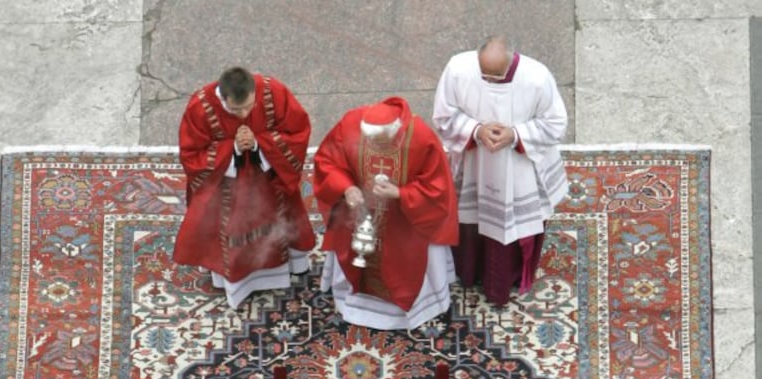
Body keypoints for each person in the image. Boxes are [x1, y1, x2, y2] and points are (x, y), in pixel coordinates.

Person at [432, 36, 568, 305]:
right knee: (470, 219)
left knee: (513, 226)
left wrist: (516, 135)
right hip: (475, 162)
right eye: (485, 76)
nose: (491, 82)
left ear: (512, 61)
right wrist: (476, 130)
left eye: (497, 76)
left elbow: (555, 122)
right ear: (476, 58)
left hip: (519, 167)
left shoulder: (537, 77)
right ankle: (469, 272)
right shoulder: (458, 69)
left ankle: (511, 277)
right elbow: (444, 115)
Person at [173, 66, 315, 308]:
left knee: (280, 220)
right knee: (230, 227)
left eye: (249, 107)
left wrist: (261, 143)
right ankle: (236, 282)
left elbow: (298, 131)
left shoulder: (274, 93)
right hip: (227, 188)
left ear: (254, 91)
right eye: (235, 109)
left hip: (269, 180)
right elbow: (191, 155)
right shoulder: (200, 107)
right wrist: (234, 149)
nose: (243, 115)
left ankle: (283, 269)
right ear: (222, 95)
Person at [313, 97, 458, 330]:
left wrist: (401, 193)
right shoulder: (350, 124)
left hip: (406, 220)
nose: (373, 145)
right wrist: (346, 187)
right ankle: (354, 299)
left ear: (396, 132)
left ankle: (408, 308)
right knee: (350, 238)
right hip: (358, 215)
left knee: (403, 258)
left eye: (379, 141)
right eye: (368, 140)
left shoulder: (420, 137)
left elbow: (437, 188)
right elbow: (328, 162)